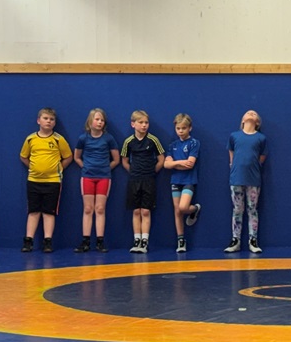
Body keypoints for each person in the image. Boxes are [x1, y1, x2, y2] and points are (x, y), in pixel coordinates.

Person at [19, 107, 73, 253]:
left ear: (54, 123)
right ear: (39, 121)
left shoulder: (58, 139)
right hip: (33, 180)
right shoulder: (31, 139)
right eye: (45, 118)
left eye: (51, 119)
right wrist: (33, 168)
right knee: (33, 211)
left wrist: (58, 169)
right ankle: (28, 241)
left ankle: (47, 241)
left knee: (49, 212)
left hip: (53, 181)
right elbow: (23, 156)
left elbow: (68, 157)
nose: (48, 121)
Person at [73, 108, 120, 253]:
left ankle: (100, 241)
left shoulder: (108, 138)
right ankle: (85, 241)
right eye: (97, 119)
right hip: (87, 177)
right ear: (90, 121)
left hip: (104, 178)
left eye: (102, 120)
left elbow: (116, 159)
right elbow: (77, 157)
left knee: (100, 208)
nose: (100, 122)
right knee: (88, 209)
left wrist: (105, 169)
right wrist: (85, 167)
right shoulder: (83, 138)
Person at [120, 110, 165, 254]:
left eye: (146, 122)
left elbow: (161, 159)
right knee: (136, 210)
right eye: (141, 122)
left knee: (145, 211)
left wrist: (152, 171)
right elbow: (124, 161)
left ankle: (145, 241)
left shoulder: (153, 140)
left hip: (149, 179)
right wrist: (133, 172)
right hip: (134, 180)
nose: (144, 125)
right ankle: (137, 240)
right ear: (133, 124)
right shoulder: (128, 142)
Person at [223, 110, 268, 254]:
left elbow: (261, 157)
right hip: (236, 178)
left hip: (253, 178)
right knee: (237, 209)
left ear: (258, 122)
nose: (251, 114)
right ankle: (235, 240)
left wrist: (253, 167)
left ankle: (253, 240)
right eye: (248, 113)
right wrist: (234, 168)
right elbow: (231, 155)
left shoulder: (261, 138)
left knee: (252, 209)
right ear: (242, 120)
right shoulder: (234, 136)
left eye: (254, 114)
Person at [164, 113, 202, 253]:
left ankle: (195, 209)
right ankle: (181, 239)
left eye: (183, 128)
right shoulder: (173, 145)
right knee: (177, 211)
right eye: (178, 128)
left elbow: (190, 164)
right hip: (175, 180)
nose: (180, 131)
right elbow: (166, 165)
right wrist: (179, 163)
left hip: (188, 180)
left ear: (189, 128)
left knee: (183, 207)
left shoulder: (194, 143)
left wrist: (174, 164)